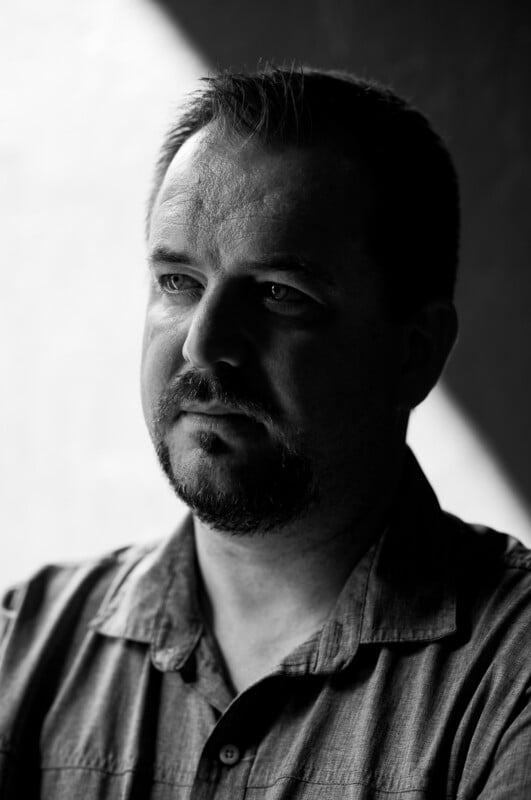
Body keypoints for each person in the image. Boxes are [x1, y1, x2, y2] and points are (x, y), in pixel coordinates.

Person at [1, 67, 530, 799]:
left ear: (415, 351)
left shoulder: (510, 677)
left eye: (281, 294)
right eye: (178, 282)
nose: (202, 345)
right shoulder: (21, 647)